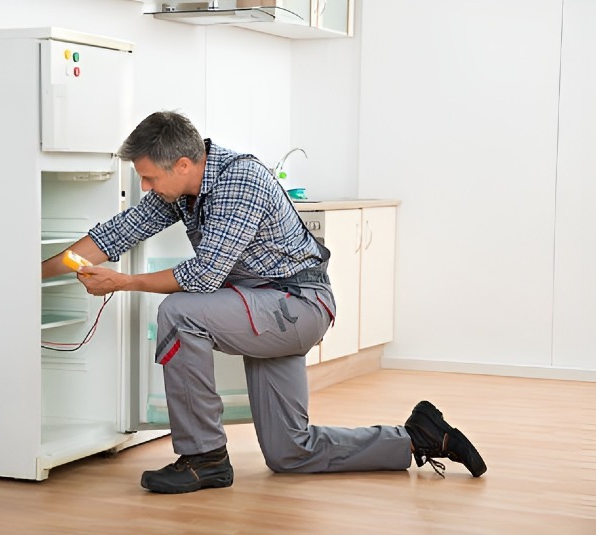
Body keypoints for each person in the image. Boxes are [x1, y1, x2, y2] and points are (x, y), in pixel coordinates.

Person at [41, 111, 487, 494]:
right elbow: (116, 233)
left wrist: (123, 282)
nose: (145, 185)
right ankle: (417, 438)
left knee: (178, 313)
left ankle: (204, 457)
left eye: (149, 177)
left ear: (181, 164)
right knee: (290, 451)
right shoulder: (182, 192)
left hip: (295, 304)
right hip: (262, 306)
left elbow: (203, 276)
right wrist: (33, 274)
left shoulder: (240, 179)